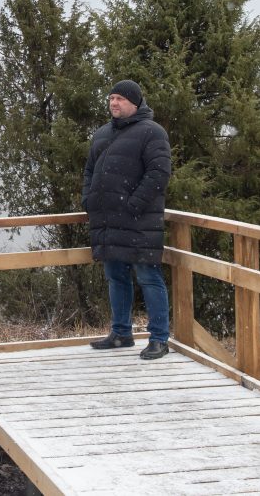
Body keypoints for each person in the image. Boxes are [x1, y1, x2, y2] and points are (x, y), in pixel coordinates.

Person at [82, 79, 172, 360]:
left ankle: (159, 338)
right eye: (111, 98)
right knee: (115, 277)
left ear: (135, 102)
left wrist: (134, 205)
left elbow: (159, 174)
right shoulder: (102, 134)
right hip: (108, 220)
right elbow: (88, 171)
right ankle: (121, 333)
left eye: (120, 98)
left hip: (139, 221)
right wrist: (89, 199)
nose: (114, 103)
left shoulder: (152, 132)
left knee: (149, 277)